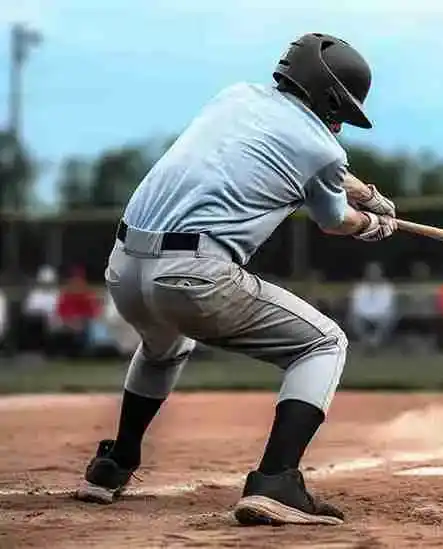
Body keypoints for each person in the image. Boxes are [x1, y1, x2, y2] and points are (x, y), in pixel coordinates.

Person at [73, 33, 397, 527]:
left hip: (124, 269)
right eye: (341, 111)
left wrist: (367, 192)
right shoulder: (322, 150)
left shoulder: (236, 97)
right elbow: (334, 219)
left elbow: (316, 165)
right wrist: (373, 223)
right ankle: (277, 481)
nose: (340, 123)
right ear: (327, 95)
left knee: (164, 349)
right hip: (193, 276)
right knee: (325, 344)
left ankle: (113, 464)